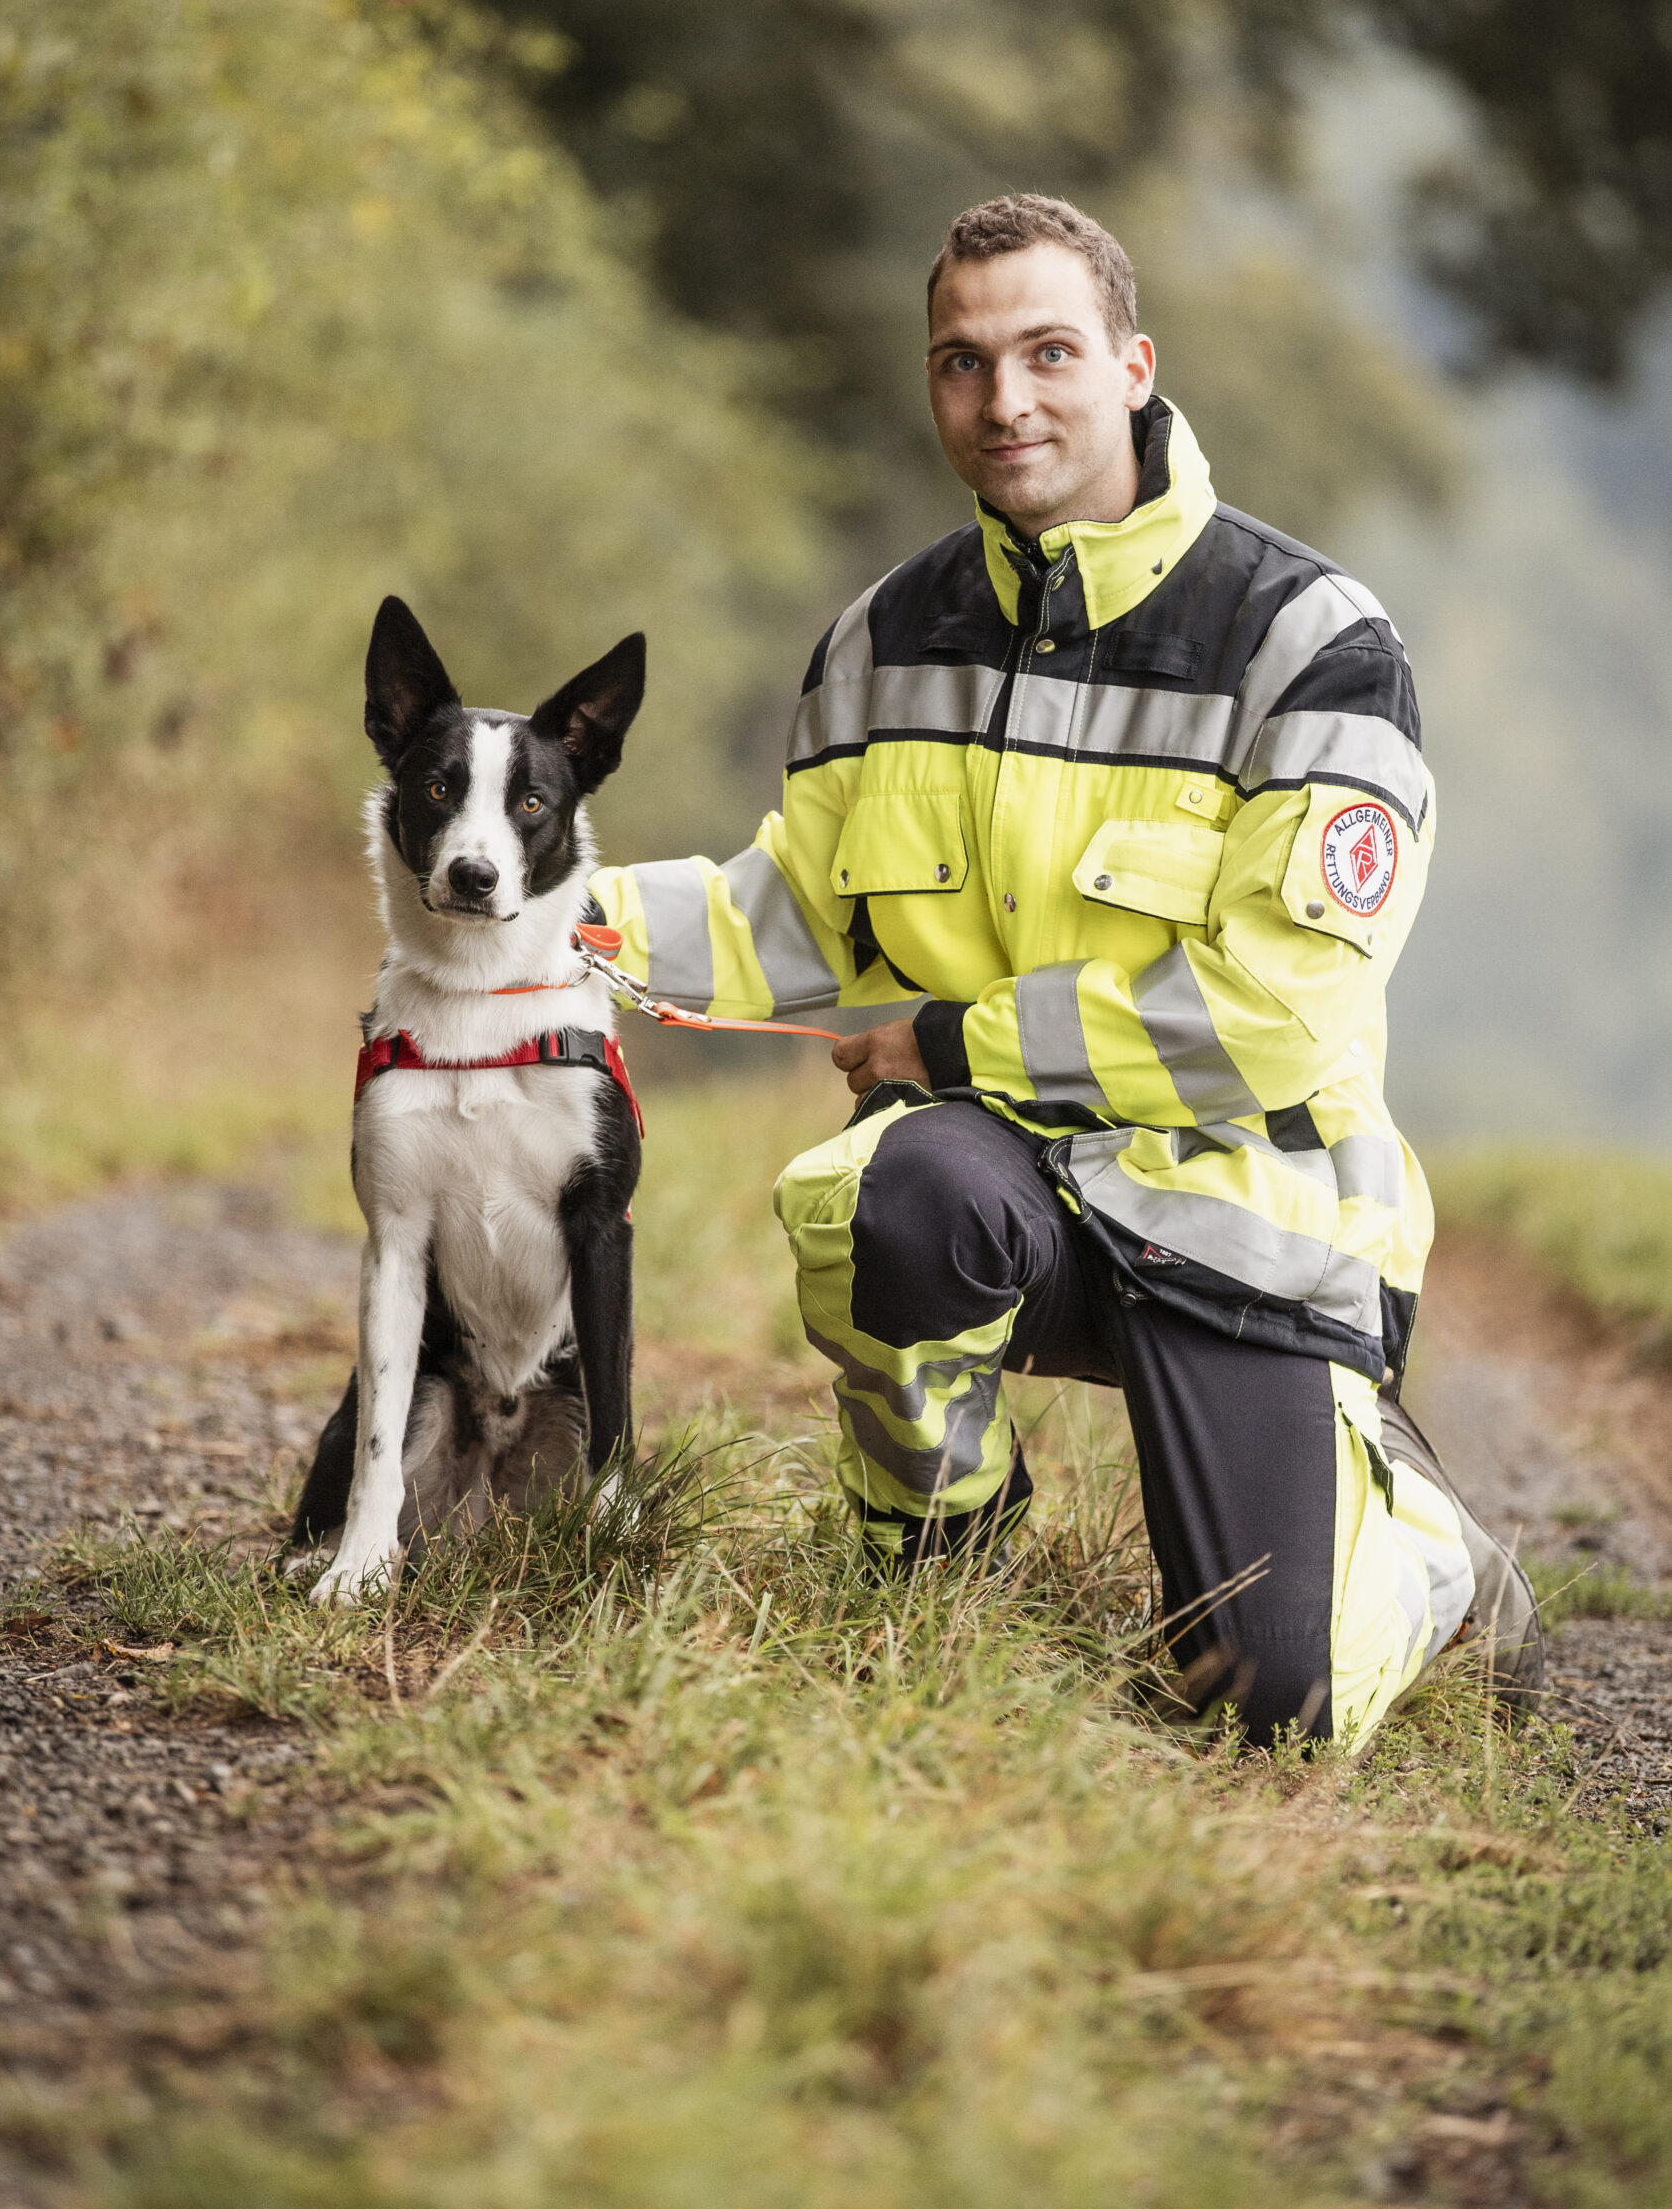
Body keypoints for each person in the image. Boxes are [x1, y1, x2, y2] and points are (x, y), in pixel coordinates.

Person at [592, 192, 1542, 1750]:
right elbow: (796, 916)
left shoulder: (1313, 644)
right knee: (899, 1192)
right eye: (962, 362)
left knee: (1269, 1709)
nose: (1005, 400)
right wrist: (544, 914)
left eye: (1047, 352)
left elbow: (1272, 1016)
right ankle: (936, 1575)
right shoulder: (881, 641)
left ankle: (1432, 1566)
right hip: (1009, 1194)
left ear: (1135, 367)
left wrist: (948, 1045)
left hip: (1248, 1215)